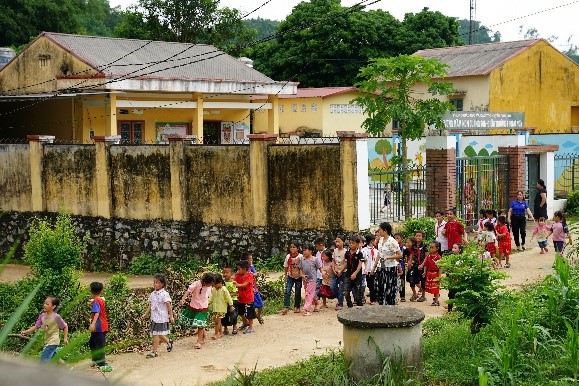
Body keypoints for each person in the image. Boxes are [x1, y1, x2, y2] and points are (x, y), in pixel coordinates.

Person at [20, 296, 68, 364]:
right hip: (47, 340)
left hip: (54, 340)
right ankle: (66, 367)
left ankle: (42, 373)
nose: (44, 305)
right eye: (44, 303)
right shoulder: (42, 316)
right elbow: (36, 326)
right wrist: (26, 332)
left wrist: (65, 338)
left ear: (53, 306)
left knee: (44, 359)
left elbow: (65, 327)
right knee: (54, 356)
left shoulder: (56, 317)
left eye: (47, 304)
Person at [179, 272, 214, 349]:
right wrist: (183, 299)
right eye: (210, 284)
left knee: (200, 324)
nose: (211, 285)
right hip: (194, 306)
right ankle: (203, 334)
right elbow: (189, 290)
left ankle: (199, 341)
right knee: (194, 322)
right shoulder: (196, 284)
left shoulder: (209, 287)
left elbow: (209, 295)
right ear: (205, 282)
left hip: (203, 308)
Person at [143, 274, 174, 358]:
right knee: (157, 333)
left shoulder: (164, 294)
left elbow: (169, 306)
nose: (155, 284)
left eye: (157, 282)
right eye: (154, 282)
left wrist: (171, 316)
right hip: (154, 317)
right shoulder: (153, 294)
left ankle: (154, 352)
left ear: (162, 284)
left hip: (161, 318)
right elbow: (150, 305)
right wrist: (145, 314)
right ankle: (168, 342)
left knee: (156, 334)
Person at [374, 222, 402, 305]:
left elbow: (399, 255)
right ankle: (381, 305)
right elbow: (379, 254)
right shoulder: (381, 240)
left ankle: (390, 306)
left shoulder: (392, 241)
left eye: (380, 230)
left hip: (390, 267)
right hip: (381, 266)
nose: (379, 231)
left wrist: (389, 257)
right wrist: (374, 266)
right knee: (379, 287)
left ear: (385, 231)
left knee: (389, 288)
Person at [208, 273, 234, 340]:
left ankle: (216, 334)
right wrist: (207, 303)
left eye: (215, 284)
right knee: (218, 321)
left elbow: (228, 298)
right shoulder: (213, 289)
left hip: (221, 308)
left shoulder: (224, 289)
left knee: (217, 321)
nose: (214, 285)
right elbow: (211, 297)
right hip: (215, 308)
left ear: (220, 282)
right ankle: (221, 333)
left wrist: (231, 305)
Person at [88, 282, 108, 368]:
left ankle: (101, 363)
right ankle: (96, 361)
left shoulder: (96, 301)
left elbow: (96, 312)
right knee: (93, 343)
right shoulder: (100, 300)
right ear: (101, 291)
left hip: (99, 326)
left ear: (90, 291)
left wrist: (92, 324)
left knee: (98, 345)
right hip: (101, 326)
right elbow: (99, 301)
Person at [234, 260, 256, 334]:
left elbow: (246, 284)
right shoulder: (238, 276)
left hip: (248, 298)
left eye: (239, 269)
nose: (238, 270)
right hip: (241, 298)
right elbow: (233, 281)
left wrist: (237, 285)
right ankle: (245, 322)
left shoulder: (250, 275)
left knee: (249, 313)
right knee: (240, 312)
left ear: (244, 269)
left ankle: (250, 327)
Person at [242, 252, 264, 325]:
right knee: (247, 308)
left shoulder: (251, 267)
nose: (251, 261)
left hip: (254, 290)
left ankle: (259, 315)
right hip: (247, 292)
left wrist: (253, 274)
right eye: (250, 260)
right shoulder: (242, 269)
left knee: (260, 304)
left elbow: (255, 274)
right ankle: (246, 322)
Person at [299, 244, 321, 315]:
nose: (304, 252)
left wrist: (323, 273)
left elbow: (320, 267)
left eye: (305, 250)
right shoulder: (302, 259)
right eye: (303, 250)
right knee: (311, 293)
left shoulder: (315, 259)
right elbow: (301, 269)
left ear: (311, 251)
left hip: (313, 280)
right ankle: (317, 303)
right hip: (305, 280)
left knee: (308, 293)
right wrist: (302, 275)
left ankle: (306, 309)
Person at [419, 241, 442, 306]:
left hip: (435, 274)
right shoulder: (428, 256)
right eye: (430, 248)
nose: (431, 249)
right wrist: (424, 272)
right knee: (432, 288)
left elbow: (440, 267)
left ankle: (436, 301)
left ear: (437, 248)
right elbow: (426, 264)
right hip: (429, 274)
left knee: (436, 288)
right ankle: (435, 299)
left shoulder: (438, 257)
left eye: (432, 248)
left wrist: (439, 276)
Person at [282, 241, 303, 315]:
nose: (292, 248)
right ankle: (286, 306)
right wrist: (285, 275)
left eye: (294, 247)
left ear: (297, 248)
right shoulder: (288, 256)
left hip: (298, 276)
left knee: (298, 292)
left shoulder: (300, 257)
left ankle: (297, 306)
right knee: (287, 291)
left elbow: (302, 266)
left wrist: (302, 275)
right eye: (291, 247)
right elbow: (286, 266)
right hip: (290, 276)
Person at [344, 235, 364, 308]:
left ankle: (360, 308)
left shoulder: (359, 253)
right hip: (348, 275)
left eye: (353, 243)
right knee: (346, 292)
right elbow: (346, 263)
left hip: (357, 276)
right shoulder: (347, 253)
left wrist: (355, 273)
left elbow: (360, 264)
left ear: (357, 244)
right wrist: (341, 270)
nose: (351, 244)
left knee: (358, 295)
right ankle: (350, 306)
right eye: (350, 243)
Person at [409, 230, 428, 302]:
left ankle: (423, 296)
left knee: (423, 281)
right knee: (412, 279)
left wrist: (423, 264)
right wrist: (410, 262)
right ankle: (414, 294)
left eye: (419, 236)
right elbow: (411, 254)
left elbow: (427, 256)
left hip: (423, 266)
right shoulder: (413, 245)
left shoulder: (424, 245)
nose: (418, 237)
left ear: (423, 237)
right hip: (415, 265)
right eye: (416, 236)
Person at [221, 266, 239, 335]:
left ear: (231, 273)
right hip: (225, 302)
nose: (225, 274)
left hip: (233, 301)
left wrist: (227, 296)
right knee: (224, 315)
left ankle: (234, 327)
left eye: (227, 272)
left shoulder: (233, 283)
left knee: (234, 315)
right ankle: (225, 328)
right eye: (224, 272)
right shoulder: (222, 283)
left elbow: (236, 293)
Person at [331, 235, 347, 310]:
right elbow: (333, 261)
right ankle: (340, 298)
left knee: (341, 288)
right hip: (335, 272)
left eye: (339, 241)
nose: (337, 243)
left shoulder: (346, 252)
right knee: (333, 287)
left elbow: (346, 263)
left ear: (343, 242)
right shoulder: (334, 251)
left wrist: (341, 270)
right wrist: (334, 270)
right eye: (336, 241)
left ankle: (340, 303)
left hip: (343, 272)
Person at [361, 234, 377, 304]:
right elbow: (363, 261)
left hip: (375, 270)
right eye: (375, 240)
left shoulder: (376, 250)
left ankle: (373, 299)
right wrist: (366, 270)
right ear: (371, 241)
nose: (376, 241)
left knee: (375, 284)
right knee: (370, 285)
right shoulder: (364, 250)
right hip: (367, 271)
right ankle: (372, 299)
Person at [394, 233, 406, 302]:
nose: (396, 240)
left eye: (398, 238)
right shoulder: (393, 247)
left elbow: (408, 255)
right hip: (394, 266)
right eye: (395, 238)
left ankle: (402, 296)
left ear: (401, 239)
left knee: (402, 281)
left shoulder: (404, 248)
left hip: (401, 266)